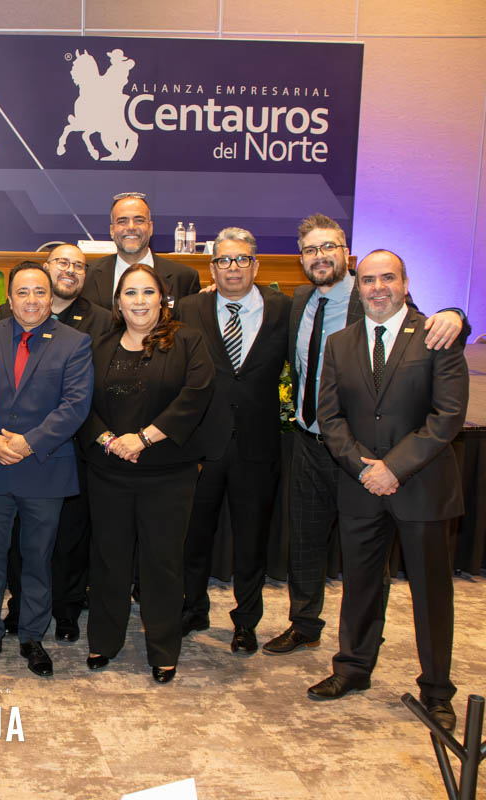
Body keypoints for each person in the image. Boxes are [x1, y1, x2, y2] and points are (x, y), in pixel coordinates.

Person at [262, 214, 464, 656]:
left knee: (366, 555)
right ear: (301, 259)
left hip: (364, 452)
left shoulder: (372, 293)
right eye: (311, 250)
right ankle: (304, 623)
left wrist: (457, 314)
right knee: (305, 540)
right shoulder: (300, 300)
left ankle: (363, 644)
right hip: (309, 439)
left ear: (346, 255)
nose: (320, 257)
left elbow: (427, 324)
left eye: (328, 247)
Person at [309, 250, 468, 733]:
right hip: (361, 486)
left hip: (422, 487)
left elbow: (447, 416)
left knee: (431, 593)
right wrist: (364, 469)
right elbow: (330, 417)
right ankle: (352, 668)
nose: (378, 287)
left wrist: (393, 468)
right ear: (357, 287)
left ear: (405, 283)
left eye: (388, 278)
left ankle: (436, 690)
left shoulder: (436, 334)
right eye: (368, 280)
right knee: (359, 583)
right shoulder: (340, 343)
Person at [81, 264, 214, 683]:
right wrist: (110, 441)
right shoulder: (99, 346)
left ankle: (163, 649)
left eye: (148, 292)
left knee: (163, 564)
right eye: (130, 293)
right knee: (108, 561)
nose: (139, 301)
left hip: (168, 474)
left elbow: (195, 397)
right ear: (118, 302)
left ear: (163, 299)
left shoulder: (188, 342)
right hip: (108, 471)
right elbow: (81, 403)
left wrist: (142, 439)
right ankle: (104, 641)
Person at [0, 262, 93, 678]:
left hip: (44, 468)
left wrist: (28, 442)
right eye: (23, 292)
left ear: (51, 297)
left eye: (40, 292)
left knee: (38, 559)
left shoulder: (75, 342)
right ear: (9, 298)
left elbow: (75, 405)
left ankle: (33, 636)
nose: (32, 300)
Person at [176, 228, 290, 654]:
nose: (233, 268)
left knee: (251, 540)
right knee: (194, 536)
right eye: (224, 260)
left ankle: (246, 622)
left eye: (242, 259)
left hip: (258, 446)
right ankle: (192, 609)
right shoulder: (190, 307)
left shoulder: (284, 308)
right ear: (212, 268)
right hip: (202, 445)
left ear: (256, 265)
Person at [0, 243, 110, 641]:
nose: (70, 270)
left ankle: (57, 616)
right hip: (3, 456)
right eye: (62, 262)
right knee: (8, 549)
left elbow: (82, 397)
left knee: (58, 545)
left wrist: (31, 442)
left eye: (79, 265)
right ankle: (11, 615)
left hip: (63, 452)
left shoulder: (92, 326)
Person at [80, 192, 201, 310]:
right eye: (122, 221)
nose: (131, 227)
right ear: (112, 230)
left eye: (139, 220)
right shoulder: (86, 275)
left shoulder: (184, 278)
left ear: (150, 228)